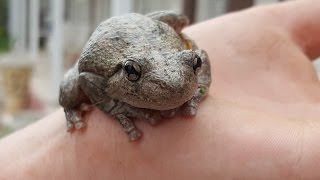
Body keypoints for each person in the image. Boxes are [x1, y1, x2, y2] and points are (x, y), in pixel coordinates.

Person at [1, 0, 320, 179]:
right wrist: (115, 109)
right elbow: (87, 79)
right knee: (68, 90)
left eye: (190, 66)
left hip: (150, 33)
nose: (175, 84)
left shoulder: (186, 58)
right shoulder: (120, 72)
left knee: (179, 49)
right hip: (113, 51)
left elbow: (198, 54)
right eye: (135, 73)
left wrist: (200, 86)